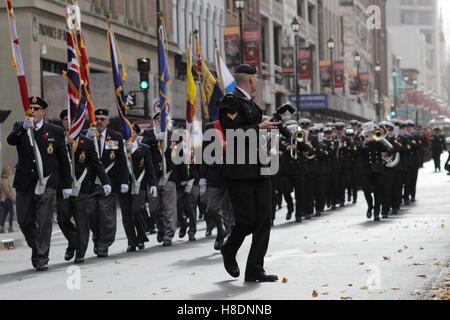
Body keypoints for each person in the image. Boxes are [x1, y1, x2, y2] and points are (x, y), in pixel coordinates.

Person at [218, 64, 279, 283]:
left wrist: (268, 130)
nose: (258, 81)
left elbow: (253, 135)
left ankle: (255, 270)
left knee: (263, 221)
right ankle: (229, 248)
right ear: (251, 79)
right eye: (257, 78)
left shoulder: (249, 103)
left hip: (259, 168)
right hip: (240, 171)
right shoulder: (230, 101)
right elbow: (233, 133)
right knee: (246, 221)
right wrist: (260, 127)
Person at [7, 96, 72, 271]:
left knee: (44, 222)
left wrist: (67, 184)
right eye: (31, 108)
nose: (33, 111)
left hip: (47, 183)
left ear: (43, 112)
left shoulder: (55, 131)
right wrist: (22, 127)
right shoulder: (20, 127)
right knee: (24, 221)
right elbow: (10, 140)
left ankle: (42, 256)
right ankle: (36, 248)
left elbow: (63, 160)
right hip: (24, 184)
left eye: (36, 108)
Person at [57, 110, 111, 263]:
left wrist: (105, 181)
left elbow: (96, 163)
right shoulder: (58, 140)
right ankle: (73, 241)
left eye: (71, 120)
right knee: (62, 218)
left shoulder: (85, 142)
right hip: (63, 188)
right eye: (66, 120)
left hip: (82, 188)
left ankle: (80, 252)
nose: (68, 122)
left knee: (81, 221)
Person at [84, 109, 129, 258]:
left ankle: (104, 243)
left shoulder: (115, 137)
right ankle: (97, 237)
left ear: (108, 121)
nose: (99, 121)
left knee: (106, 215)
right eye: (96, 118)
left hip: (109, 183)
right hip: (91, 183)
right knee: (91, 213)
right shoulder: (87, 135)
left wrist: (124, 181)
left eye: (102, 118)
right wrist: (85, 138)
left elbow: (121, 160)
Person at [142, 112, 188, 247]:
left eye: (161, 119)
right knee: (154, 208)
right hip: (153, 178)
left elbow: (180, 158)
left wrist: (184, 178)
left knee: (169, 209)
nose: (158, 121)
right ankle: (161, 228)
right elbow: (143, 146)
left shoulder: (175, 136)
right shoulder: (148, 134)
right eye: (156, 118)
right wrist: (155, 138)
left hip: (169, 176)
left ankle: (168, 235)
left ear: (167, 120)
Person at [119, 123, 157, 252]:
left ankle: (141, 236)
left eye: (133, 133)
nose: (131, 135)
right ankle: (131, 241)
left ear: (138, 134)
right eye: (128, 133)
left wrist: (152, 184)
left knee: (137, 209)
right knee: (126, 214)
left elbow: (149, 167)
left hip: (139, 184)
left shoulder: (144, 148)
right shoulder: (119, 148)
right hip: (124, 185)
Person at [0, 166, 15, 233]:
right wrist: (12, 197)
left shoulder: (3, 180)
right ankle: (10, 227)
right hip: (7, 199)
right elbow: (7, 191)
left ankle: (2, 227)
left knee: (5, 213)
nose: (11, 172)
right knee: (11, 213)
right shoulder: (5, 180)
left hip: (4, 199)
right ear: (6, 172)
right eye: (9, 170)